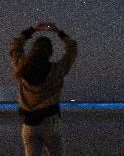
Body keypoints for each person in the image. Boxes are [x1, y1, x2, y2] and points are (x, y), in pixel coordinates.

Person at [8, 21, 77, 156]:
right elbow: (72, 48)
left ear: (33, 49)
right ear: (50, 52)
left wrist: (32, 30)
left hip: (29, 124)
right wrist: (58, 32)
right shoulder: (57, 70)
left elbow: (14, 46)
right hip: (51, 122)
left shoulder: (21, 68)